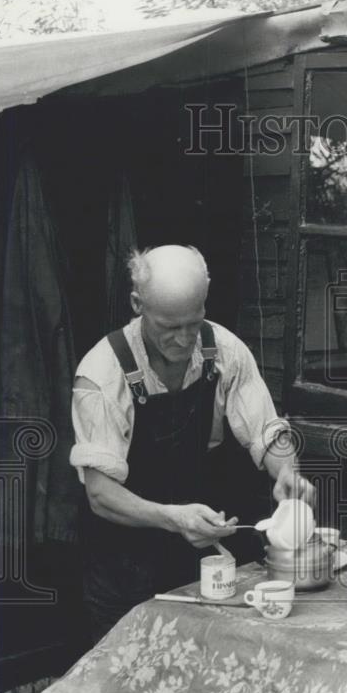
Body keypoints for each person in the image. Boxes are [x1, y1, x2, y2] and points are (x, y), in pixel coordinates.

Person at [71, 244, 314, 642]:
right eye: (169, 327)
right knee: (126, 666)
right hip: (122, 560)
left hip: (194, 550)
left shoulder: (224, 350)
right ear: (137, 304)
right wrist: (174, 519)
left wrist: (286, 471)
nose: (184, 339)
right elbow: (100, 494)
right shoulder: (103, 372)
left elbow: (266, 429)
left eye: (193, 322)